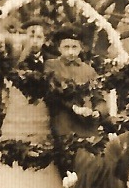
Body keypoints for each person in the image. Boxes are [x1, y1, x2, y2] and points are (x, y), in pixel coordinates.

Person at [42, 27, 102, 174]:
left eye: (74, 47)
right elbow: (52, 93)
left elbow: (98, 96)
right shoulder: (51, 65)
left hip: (86, 123)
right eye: (66, 47)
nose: (70, 52)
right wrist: (73, 107)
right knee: (68, 161)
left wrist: (97, 112)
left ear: (81, 47)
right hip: (64, 120)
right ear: (59, 48)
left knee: (90, 162)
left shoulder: (89, 70)